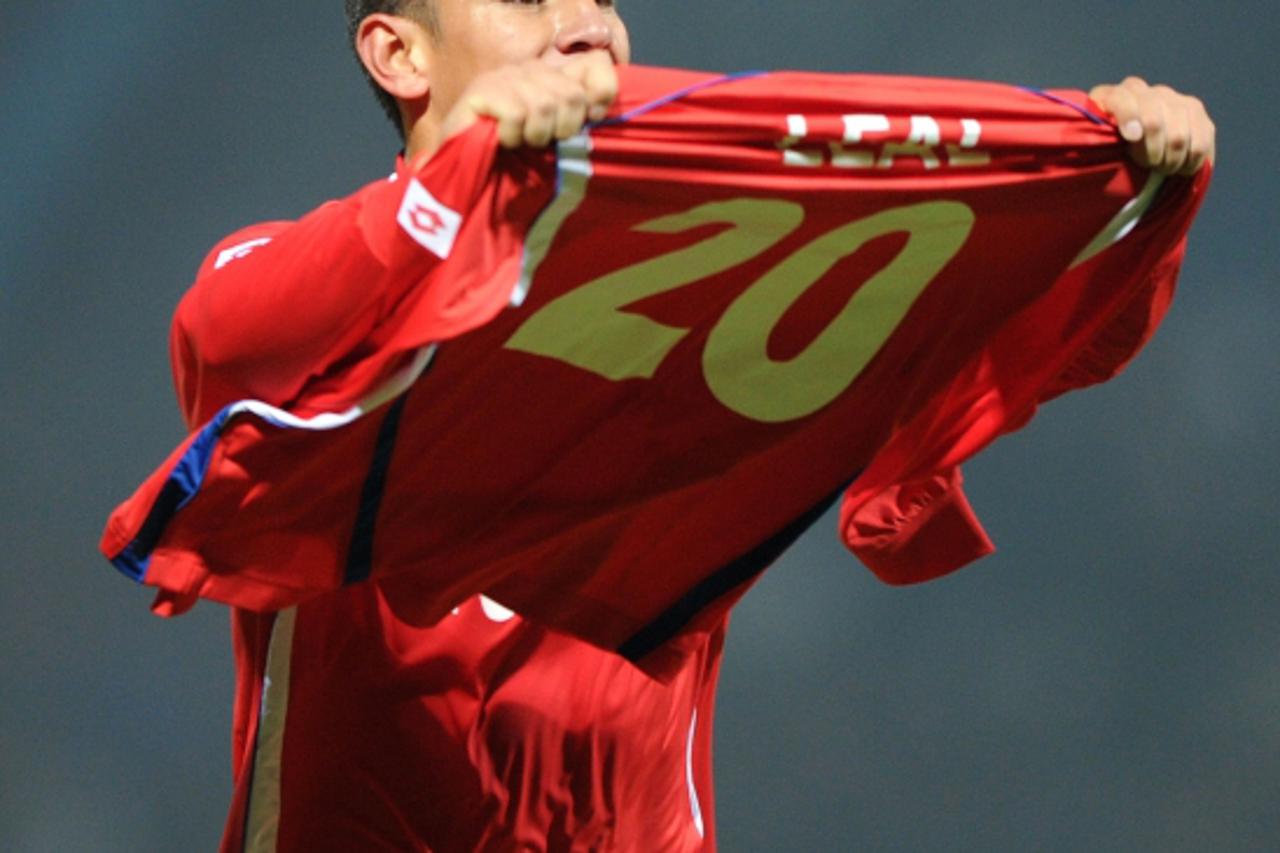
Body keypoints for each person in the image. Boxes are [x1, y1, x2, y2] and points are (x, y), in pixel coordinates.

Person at [142, 1, 1216, 850]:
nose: (592, 19)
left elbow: (1000, 332)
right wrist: (462, 179)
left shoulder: (713, 272)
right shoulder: (330, 287)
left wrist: (1125, 188)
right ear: (398, 54)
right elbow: (223, 332)